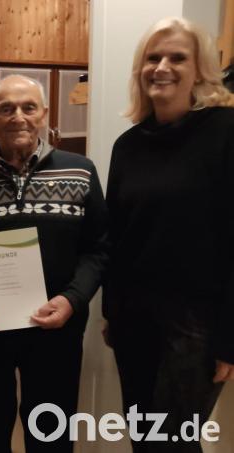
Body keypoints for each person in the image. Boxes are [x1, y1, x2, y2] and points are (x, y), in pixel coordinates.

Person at [0, 74, 108, 453]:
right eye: (6, 108)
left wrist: (72, 300)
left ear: (44, 115)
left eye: (29, 107)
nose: (18, 117)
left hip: (55, 332)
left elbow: (98, 248)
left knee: (51, 437)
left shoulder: (80, 171)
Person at [104, 17, 234, 452]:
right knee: (145, 439)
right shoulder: (127, 145)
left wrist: (230, 337)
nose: (162, 66)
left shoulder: (225, 133)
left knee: (174, 444)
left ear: (200, 70)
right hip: (134, 321)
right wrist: (112, 311)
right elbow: (118, 236)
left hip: (197, 326)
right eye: (152, 57)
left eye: (177, 57)